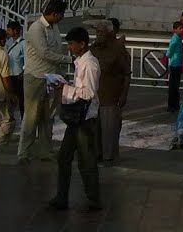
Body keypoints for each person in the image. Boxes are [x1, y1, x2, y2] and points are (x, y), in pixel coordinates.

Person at [48, 26, 102, 212]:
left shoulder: (90, 64)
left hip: (85, 120)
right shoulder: (81, 62)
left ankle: (94, 198)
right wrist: (65, 86)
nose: (69, 47)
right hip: (77, 119)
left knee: (86, 161)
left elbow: (88, 93)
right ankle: (62, 197)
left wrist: (66, 89)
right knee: (64, 157)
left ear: (82, 44)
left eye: (71, 44)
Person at [19, 0, 73, 164]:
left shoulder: (54, 27)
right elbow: (44, 53)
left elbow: (57, 49)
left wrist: (63, 72)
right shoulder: (36, 28)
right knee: (31, 116)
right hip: (35, 77)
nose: (62, 17)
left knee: (48, 117)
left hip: (52, 77)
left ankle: (45, 151)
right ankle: (24, 152)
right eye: (61, 14)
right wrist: (69, 60)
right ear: (54, 13)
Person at [91, 20, 131, 166]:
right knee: (95, 129)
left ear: (109, 33)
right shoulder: (93, 49)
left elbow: (127, 73)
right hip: (95, 95)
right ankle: (97, 154)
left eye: (101, 32)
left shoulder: (118, 49)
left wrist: (124, 94)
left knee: (110, 129)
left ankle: (109, 157)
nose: (98, 35)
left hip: (111, 95)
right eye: (97, 32)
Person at [5, 20, 25, 118]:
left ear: (15, 31)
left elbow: (27, 59)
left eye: (9, 30)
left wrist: (23, 71)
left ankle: (23, 118)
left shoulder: (23, 44)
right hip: (9, 74)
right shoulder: (8, 42)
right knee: (10, 97)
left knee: (21, 98)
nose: (7, 32)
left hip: (18, 75)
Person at [166, 20, 183, 112]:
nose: (181, 30)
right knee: (173, 86)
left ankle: (175, 104)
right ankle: (172, 105)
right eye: (180, 28)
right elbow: (169, 52)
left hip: (178, 64)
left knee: (176, 86)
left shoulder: (178, 38)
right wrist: (169, 56)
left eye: (182, 28)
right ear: (175, 30)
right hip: (174, 64)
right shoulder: (174, 39)